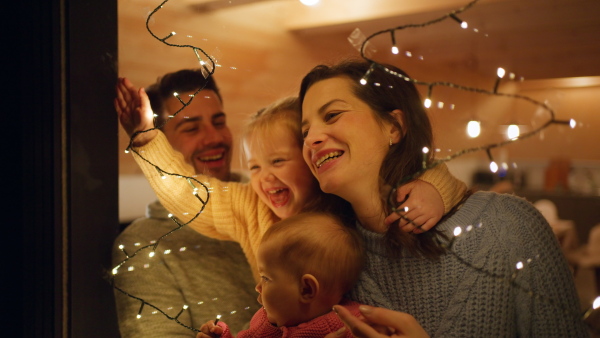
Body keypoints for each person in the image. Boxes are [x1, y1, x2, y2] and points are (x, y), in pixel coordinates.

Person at [298, 59, 588, 337]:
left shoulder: (510, 227)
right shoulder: (324, 265)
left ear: (394, 127)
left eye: (332, 115)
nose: (311, 139)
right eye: (305, 131)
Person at [115, 76, 467, 284]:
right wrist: (145, 135)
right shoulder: (250, 207)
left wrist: (433, 190)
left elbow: (415, 175)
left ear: (312, 160)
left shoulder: (342, 196)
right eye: (254, 168)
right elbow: (188, 194)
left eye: (278, 161)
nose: (265, 178)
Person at [112, 70, 260, 337]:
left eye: (219, 122)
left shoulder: (268, 203)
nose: (214, 138)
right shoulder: (144, 246)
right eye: (191, 128)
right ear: (162, 141)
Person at [197, 212, 364, 338]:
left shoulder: (350, 326)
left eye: (266, 278)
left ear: (306, 289)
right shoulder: (265, 322)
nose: (258, 287)